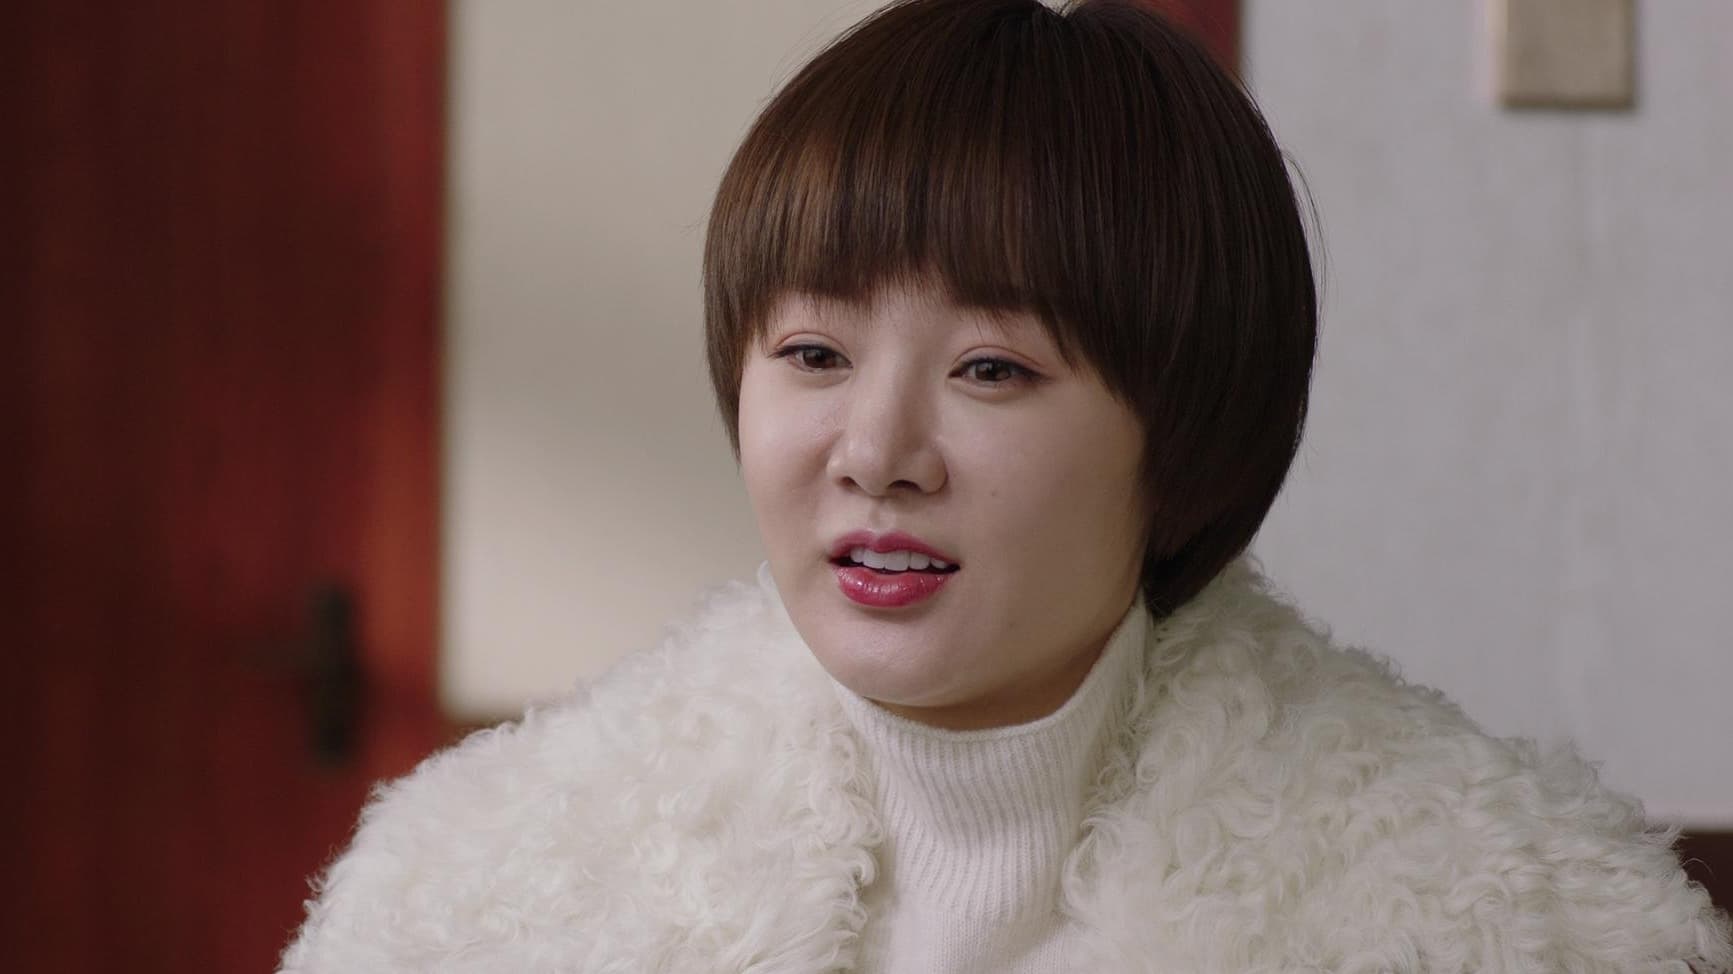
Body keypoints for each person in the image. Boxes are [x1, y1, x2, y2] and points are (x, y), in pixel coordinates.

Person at [279, 0, 1732, 971]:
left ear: (1187, 428)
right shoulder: (480, 899)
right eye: (812, 353)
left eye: (991, 369)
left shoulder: (1507, 923)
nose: (875, 451)